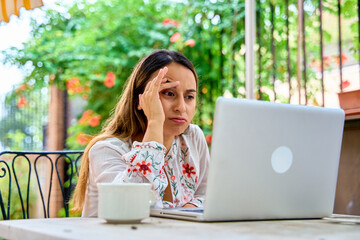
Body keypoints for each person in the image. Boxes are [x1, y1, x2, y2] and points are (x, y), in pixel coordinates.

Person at [72, 49, 210, 217]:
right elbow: (129, 208)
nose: (181, 107)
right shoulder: (106, 150)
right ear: (141, 100)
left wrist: (187, 211)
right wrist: (155, 123)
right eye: (169, 93)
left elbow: (208, 194)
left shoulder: (193, 137)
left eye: (189, 97)